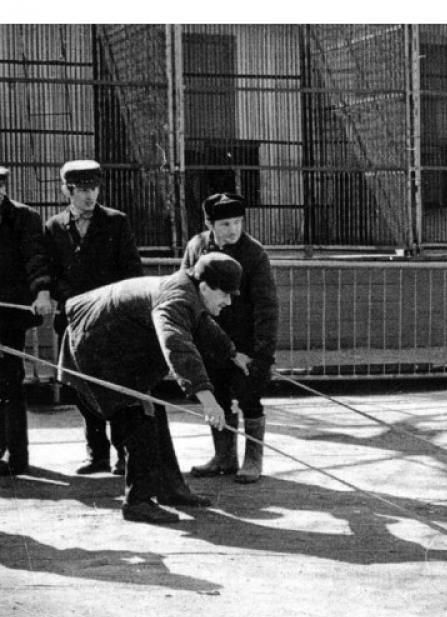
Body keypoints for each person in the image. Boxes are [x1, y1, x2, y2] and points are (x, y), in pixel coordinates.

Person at [58, 253, 251, 523]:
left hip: (113, 344)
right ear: (205, 287)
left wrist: (231, 353)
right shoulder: (176, 299)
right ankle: (137, 501)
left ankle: (169, 489)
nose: (229, 301)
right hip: (95, 346)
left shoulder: (189, 290)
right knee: (139, 416)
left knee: (153, 410)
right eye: (226, 294)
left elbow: (201, 324)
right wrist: (207, 399)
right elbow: (178, 345)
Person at [44, 160, 144, 476]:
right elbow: (50, 271)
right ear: (67, 190)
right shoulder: (54, 226)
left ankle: (124, 456)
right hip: (73, 322)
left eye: (94, 189)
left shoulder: (116, 222)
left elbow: (131, 271)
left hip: (110, 322)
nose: (90, 197)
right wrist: (64, 296)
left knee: (115, 389)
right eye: (83, 190)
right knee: (81, 389)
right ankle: (96, 455)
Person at [182, 193, 278, 484]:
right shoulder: (196, 247)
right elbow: (186, 290)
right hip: (208, 339)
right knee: (217, 396)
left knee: (250, 397)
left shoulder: (254, 253)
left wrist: (262, 354)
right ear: (209, 223)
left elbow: (267, 307)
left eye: (237, 222)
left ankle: (252, 460)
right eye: (225, 224)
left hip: (245, 342)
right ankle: (223, 457)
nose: (233, 230)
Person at [0, 166, 54, 475]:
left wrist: (42, 293)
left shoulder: (24, 218)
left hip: (8, 316)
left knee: (10, 382)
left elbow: (36, 258)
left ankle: (18, 456)